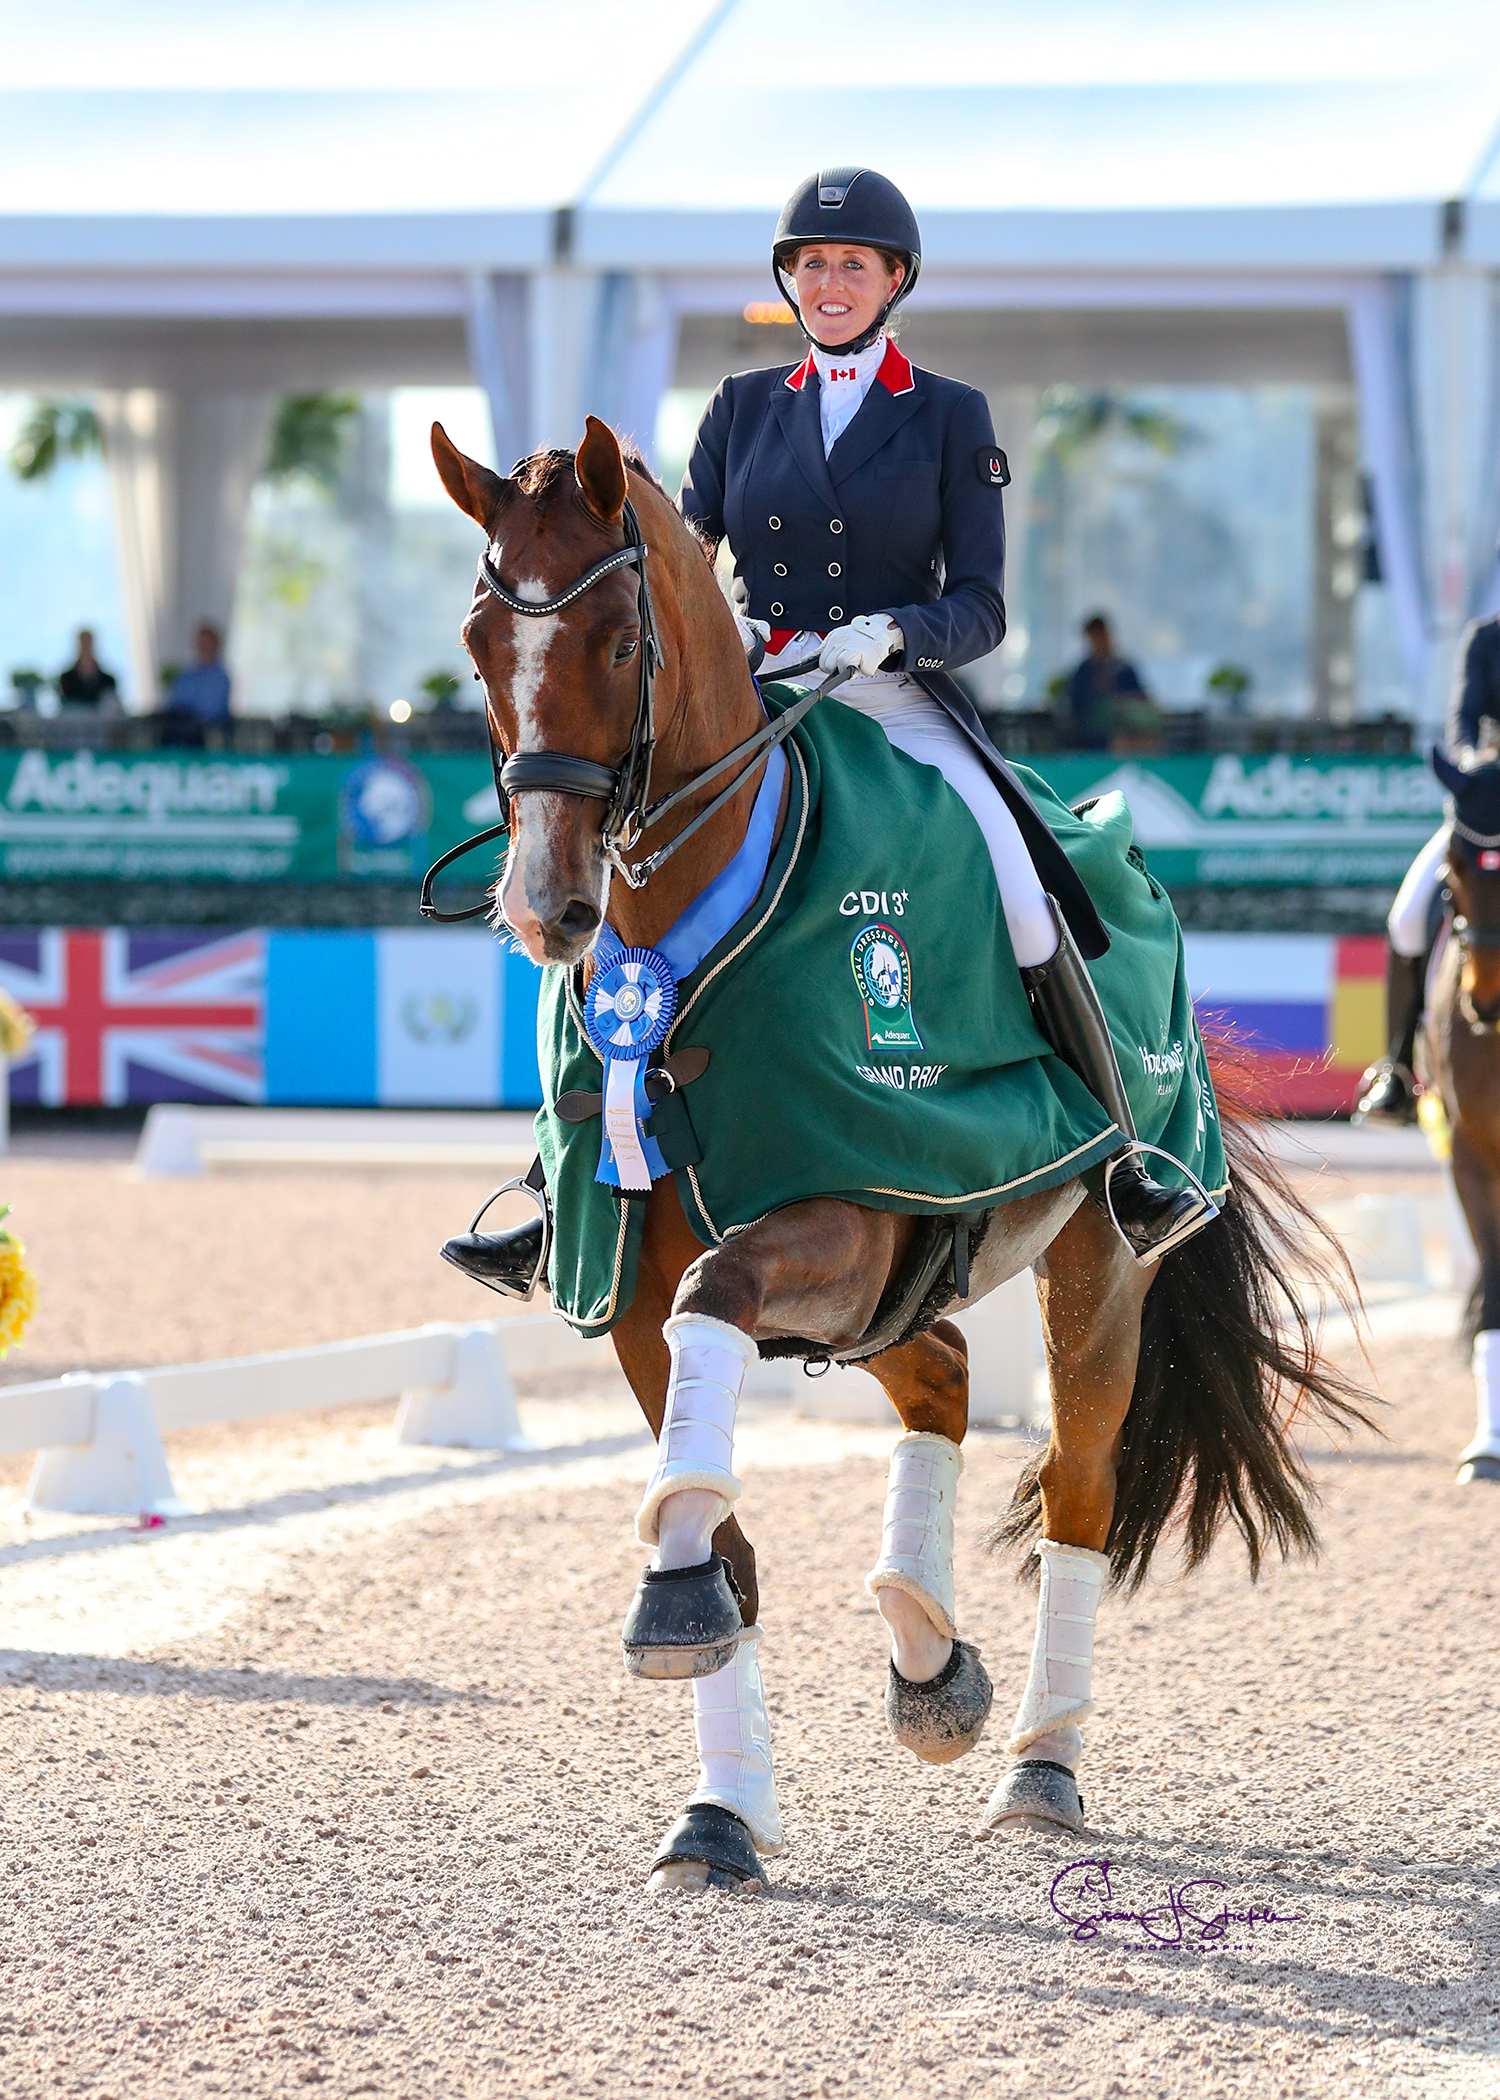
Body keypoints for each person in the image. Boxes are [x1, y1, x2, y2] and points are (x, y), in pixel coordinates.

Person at [445, 168, 1215, 1296]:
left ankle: (1125, 1155)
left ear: (894, 279)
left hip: (895, 701)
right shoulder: (741, 407)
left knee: (1019, 878)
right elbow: (678, 564)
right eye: (812, 264)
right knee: (608, 897)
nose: (832, 282)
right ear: (789, 281)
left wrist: (895, 634)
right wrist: (737, 628)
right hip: (759, 699)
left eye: (854, 264)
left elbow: (984, 606)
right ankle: (556, 1190)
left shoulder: (949, 414)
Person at [1356, 609, 1500, 1123]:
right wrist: (1472, 766)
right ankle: (1396, 1068)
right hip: (1486, 808)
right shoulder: (1486, 639)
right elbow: (1462, 719)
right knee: (1408, 917)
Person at [1061, 613, 1148, 751]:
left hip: (1127, 732)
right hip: (1091, 737)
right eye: (1094, 637)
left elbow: (1140, 698)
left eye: (1101, 635)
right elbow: (1076, 704)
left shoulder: (1124, 668)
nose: (1099, 641)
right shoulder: (1083, 671)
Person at [164, 623, 232, 724]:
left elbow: (212, 711)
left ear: (216, 646)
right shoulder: (186, 675)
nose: (203, 648)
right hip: (181, 726)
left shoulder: (220, 679)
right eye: (201, 644)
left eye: (207, 644)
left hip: (207, 729)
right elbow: (173, 704)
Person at [56, 629, 118, 709]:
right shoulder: (67, 679)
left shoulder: (107, 680)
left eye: (88, 643)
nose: (86, 647)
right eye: (83, 643)